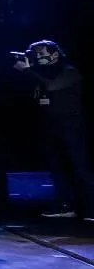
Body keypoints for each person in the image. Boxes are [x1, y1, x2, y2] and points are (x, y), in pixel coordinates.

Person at [14, 40, 94, 219]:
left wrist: (28, 71)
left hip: (72, 126)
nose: (38, 58)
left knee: (80, 167)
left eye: (41, 54)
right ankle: (65, 205)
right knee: (57, 168)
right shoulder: (43, 74)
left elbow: (52, 86)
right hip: (52, 126)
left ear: (55, 54)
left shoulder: (69, 72)